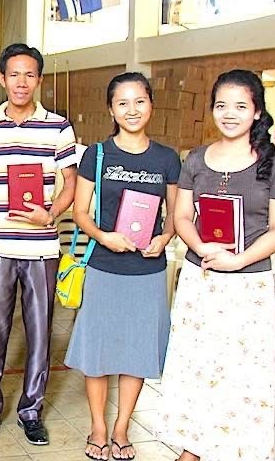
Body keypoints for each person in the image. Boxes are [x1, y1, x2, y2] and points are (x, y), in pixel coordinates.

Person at [155, 69, 275, 461]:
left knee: (242, 369)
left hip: (248, 284)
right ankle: (192, 448)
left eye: (240, 106)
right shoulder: (196, 159)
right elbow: (182, 216)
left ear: (256, 112)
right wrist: (202, 247)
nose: (229, 114)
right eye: (221, 105)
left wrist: (238, 261)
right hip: (201, 278)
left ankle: (240, 450)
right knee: (196, 364)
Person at [0, 43, 77, 445]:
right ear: (2, 78)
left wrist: (52, 213)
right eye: (14, 74)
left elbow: (72, 183)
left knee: (40, 335)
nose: (21, 82)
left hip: (41, 249)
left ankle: (31, 411)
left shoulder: (58, 127)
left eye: (30, 74)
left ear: (39, 79)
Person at [64, 72, 180, 461]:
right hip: (104, 266)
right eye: (123, 103)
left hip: (148, 271)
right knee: (98, 352)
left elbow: (175, 214)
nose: (132, 110)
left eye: (140, 101)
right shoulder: (96, 155)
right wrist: (104, 236)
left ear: (151, 105)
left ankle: (121, 428)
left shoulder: (167, 158)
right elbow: (80, 212)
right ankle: (98, 427)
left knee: (137, 351)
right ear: (111, 109)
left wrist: (164, 238)